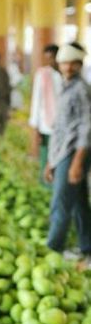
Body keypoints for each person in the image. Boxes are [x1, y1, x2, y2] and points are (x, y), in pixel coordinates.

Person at [45, 43, 91, 262]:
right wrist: (51, 162)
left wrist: (77, 163)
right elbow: (61, 128)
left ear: (80, 64)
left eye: (73, 63)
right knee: (80, 201)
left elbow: (85, 127)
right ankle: (86, 247)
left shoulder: (81, 88)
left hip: (73, 153)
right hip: (63, 153)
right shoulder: (66, 85)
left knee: (61, 203)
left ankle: (53, 249)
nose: (68, 67)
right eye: (64, 63)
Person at [29, 44, 63, 184]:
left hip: (63, 126)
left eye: (53, 57)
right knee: (46, 156)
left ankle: (59, 183)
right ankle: (46, 185)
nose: (51, 61)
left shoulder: (65, 74)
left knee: (61, 157)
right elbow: (37, 101)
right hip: (46, 125)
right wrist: (35, 128)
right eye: (48, 58)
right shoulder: (42, 74)